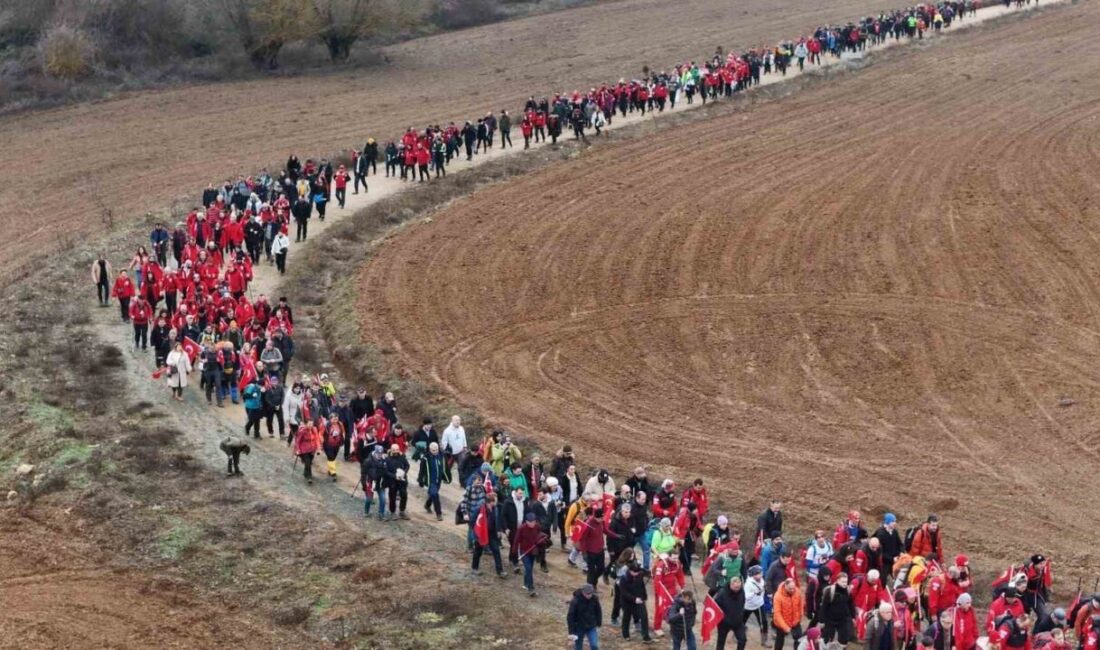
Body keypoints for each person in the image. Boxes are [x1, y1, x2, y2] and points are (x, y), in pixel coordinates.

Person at [471, 492, 505, 578]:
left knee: (496, 551)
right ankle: (474, 568)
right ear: (490, 502)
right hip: (481, 533)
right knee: (478, 551)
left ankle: (500, 571)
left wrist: (498, 530)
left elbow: (498, 520)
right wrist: (476, 532)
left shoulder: (496, 509)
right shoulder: (480, 509)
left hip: (492, 533)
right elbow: (472, 521)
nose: (496, 503)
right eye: (495, 501)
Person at [618, 562, 653, 643]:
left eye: (637, 572)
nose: (636, 574)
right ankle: (626, 634)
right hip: (627, 602)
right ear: (630, 570)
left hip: (639, 599)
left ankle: (645, 636)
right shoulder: (624, 579)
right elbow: (624, 593)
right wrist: (634, 599)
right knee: (627, 617)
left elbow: (642, 585)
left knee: (644, 616)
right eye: (634, 572)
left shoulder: (639, 574)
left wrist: (644, 596)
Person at [819, 572, 856, 647]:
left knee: (844, 639)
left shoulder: (848, 591)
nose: (845, 584)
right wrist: (822, 620)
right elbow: (824, 607)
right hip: (830, 619)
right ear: (837, 581)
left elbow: (851, 604)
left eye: (846, 581)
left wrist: (853, 617)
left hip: (843, 619)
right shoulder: (830, 591)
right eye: (843, 582)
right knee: (827, 639)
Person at [417, 441, 451, 520]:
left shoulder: (442, 456)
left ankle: (427, 505)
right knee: (435, 494)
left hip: (438, 479)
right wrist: (420, 480)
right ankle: (438, 513)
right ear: (430, 449)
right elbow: (421, 470)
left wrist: (447, 478)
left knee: (433, 494)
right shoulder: (425, 458)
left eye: (436, 450)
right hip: (430, 480)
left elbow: (446, 467)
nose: (435, 452)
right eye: (433, 450)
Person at [514, 512, 546, 596]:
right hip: (524, 551)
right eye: (531, 522)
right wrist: (514, 552)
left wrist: (541, 540)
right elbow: (516, 541)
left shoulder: (537, 526)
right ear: (526, 521)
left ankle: (525, 584)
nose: (533, 524)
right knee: (528, 569)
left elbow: (540, 535)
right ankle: (531, 588)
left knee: (529, 569)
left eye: (534, 522)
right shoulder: (521, 528)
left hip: (533, 551)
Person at [715, 576, 748, 650]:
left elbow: (743, 603)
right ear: (730, 584)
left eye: (739, 586)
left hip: (738, 622)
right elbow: (715, 606)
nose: (737, 588)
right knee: (721, 642)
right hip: (724, 623)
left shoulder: (742, 592)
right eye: (735, 586)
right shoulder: (722, 593)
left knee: (743, 639)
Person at [568, 583, 602, 650]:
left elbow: (598, 611)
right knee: (578, 647)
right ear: (583, 592)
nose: (589, 595)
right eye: (587, 594)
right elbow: (570, 616)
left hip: (591, 626)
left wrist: (598, 622)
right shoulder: (575, 601)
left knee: (594, 645)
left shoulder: (595, 598)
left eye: (591, 593)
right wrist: (571, 632)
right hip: (579, 627)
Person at [773, 578, 805, 650]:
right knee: (779, 641)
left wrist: (800, 615)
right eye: (790, 589)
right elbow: (777, 614)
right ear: (785, 586)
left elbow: (800, 604)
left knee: (799, 640)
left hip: (795, 621)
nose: (792, 590)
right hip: (782, 623)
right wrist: (785, 627)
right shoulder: (778, 596)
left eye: (793, 588)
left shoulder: (797, 591)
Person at [383, 444, 410, 520]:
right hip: (392, 481)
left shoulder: (402, 457)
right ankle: (392, 512)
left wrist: (404, 472)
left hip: (402, 480)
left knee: (404, 495)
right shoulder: (387, 459)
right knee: (392, 496)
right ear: (391, 450)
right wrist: (394, 476)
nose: (395, 451)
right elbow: (385, 471)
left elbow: (407, 465)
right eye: (394, 450)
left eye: (397, 449)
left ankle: (402, 511)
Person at [293, 420, 320, 484]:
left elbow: (317, 439)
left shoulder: (314, 429)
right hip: (303, 450)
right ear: (306, 424)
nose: (311, 425)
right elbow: (297, 441)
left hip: (312, 449)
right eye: (309, 424)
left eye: (312, 424)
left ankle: (305, 472)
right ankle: (309, 477)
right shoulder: (302, 431)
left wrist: (318, 448)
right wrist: (297, 450)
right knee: (307, 462)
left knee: (309, 462)